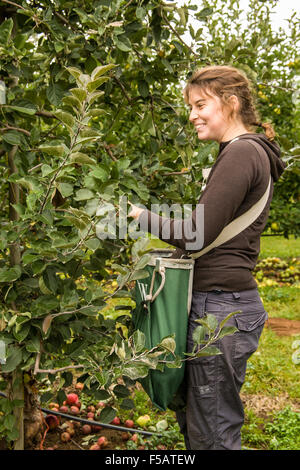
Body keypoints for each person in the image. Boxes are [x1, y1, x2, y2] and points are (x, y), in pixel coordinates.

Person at [128, 65, 285, 450]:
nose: (192, 115)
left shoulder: (242, 152)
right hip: (220, 302)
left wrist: (137, 215)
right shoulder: (241, 152)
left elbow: (196, 235)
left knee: (212, 434)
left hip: (220, 308)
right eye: (190, 106)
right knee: (201, 425)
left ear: (231, 103)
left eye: (201, 104)